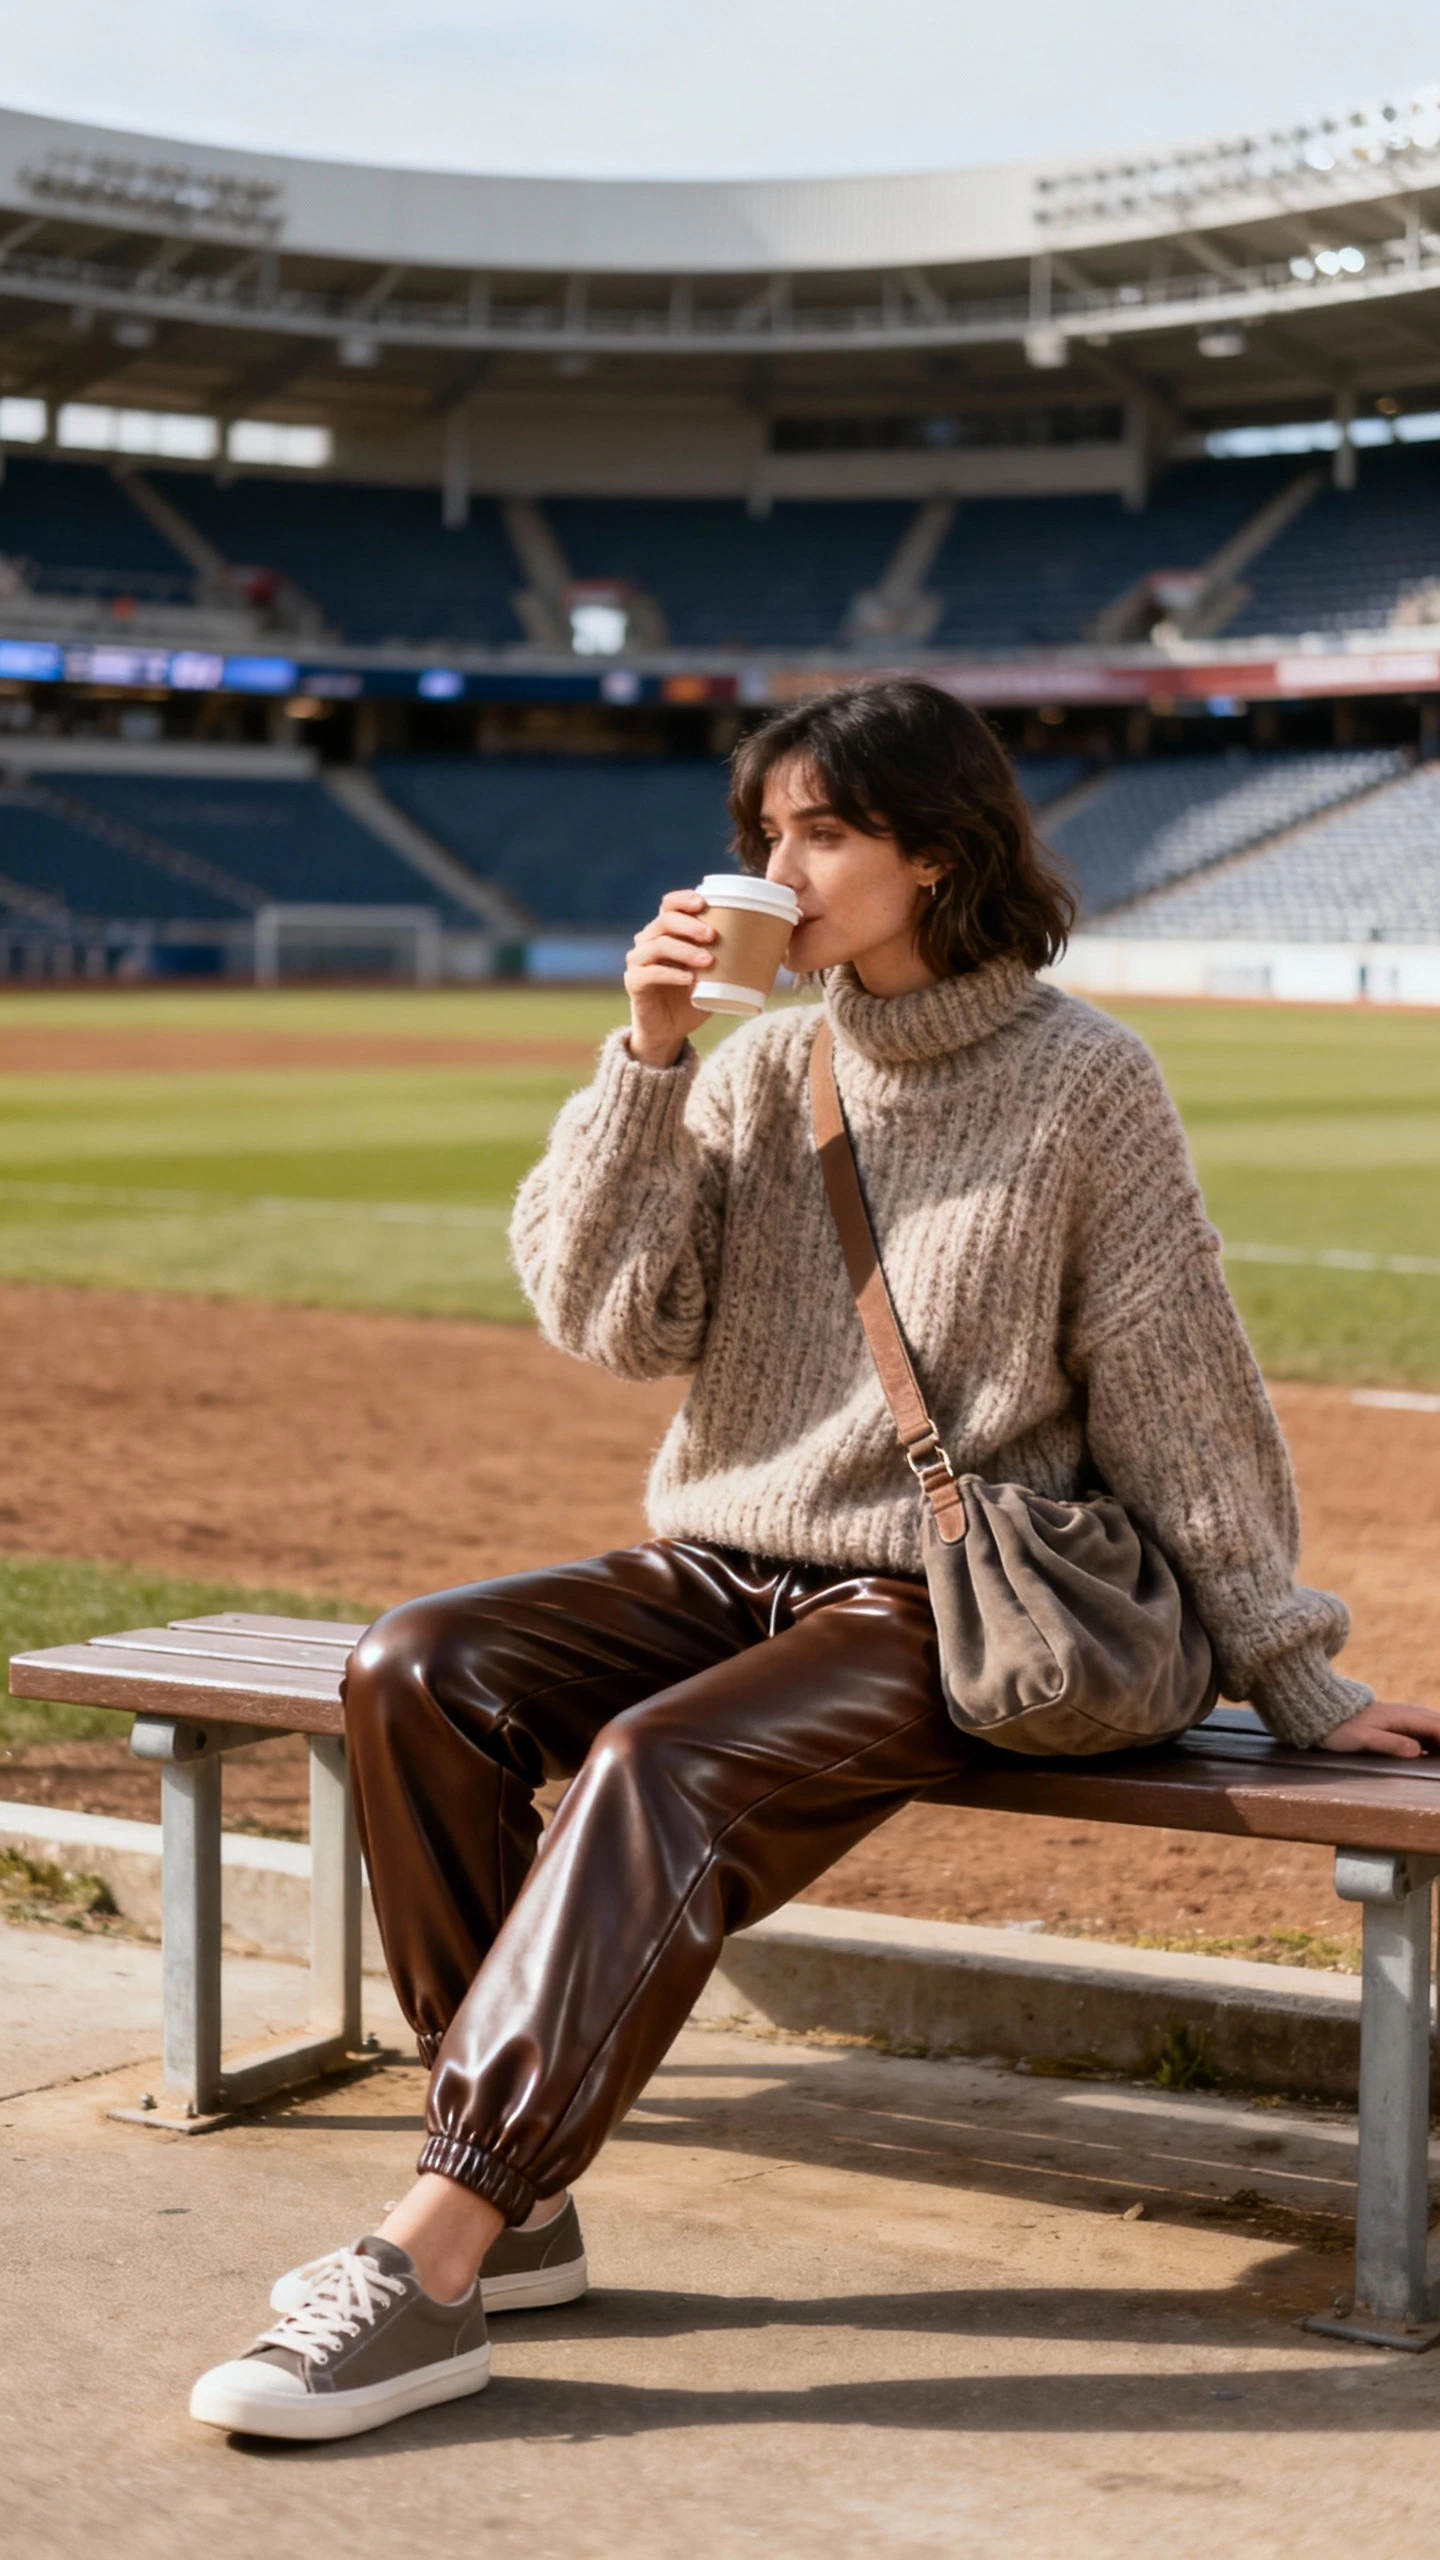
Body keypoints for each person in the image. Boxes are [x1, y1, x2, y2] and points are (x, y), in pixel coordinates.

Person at [190, 677, 1440, 2441]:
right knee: (417, 1666)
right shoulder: (765, 1064)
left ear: (933, 855)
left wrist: (1298, 1676)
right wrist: (643, 1059)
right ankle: (522, 2194)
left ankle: (438, 2247)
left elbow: (1183, 1396)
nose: (776, 864)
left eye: (822, 831)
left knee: (656, 1767)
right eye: (763, 833)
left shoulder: (1087, 1082)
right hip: (720, 1553)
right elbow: (608, 1318)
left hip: (943, 1598)